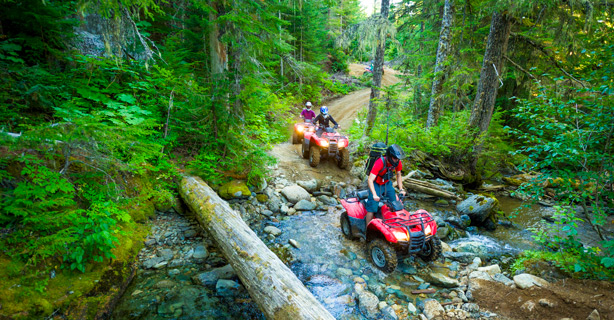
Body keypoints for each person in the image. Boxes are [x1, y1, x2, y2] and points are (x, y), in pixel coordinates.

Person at [365, 144, 406, 227]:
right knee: (372, 208)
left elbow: (398, 175)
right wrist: (374, 194)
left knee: (394, 204)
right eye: (395, 158)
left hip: (387, 183)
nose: (397, 160)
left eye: (398, 159)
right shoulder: (380, 162)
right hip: (376, 183)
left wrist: (401, 189)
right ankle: (367, 229)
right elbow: (370, 179)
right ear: (390, 157)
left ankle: (393, 225)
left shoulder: (397, 162)